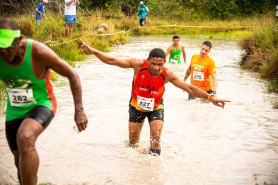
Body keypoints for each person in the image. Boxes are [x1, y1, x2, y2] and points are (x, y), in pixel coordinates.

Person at [80, 40, 229, 156]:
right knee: (133, 144)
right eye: (153, 64)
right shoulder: (138, 65)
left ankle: (153, 171)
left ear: (164, 63)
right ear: (147, 61)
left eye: (160, 64)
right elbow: (112, 60)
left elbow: (188, 87)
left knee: (156, 137)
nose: (156, 68)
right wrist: (92, 50)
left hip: (156, 107)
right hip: (136, 106)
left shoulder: (167, 74)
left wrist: (210, 97)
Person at [0, 18, 88, 185]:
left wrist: (79, 110)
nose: (3, 51)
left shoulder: (37, 52)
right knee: (19, 161)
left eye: (7, 45)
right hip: (14, 110)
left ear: (19, 41)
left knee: (25, 137)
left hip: (41, 103)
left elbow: (72, 74)